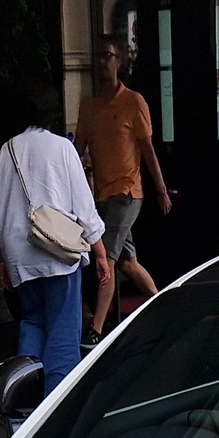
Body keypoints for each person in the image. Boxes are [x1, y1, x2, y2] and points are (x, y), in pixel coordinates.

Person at [0, 82, 108, 391]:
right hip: (58, 253)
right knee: (63, 331)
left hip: (19, 255)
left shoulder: (6, 151)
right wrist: (100, 253)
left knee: (32, 323)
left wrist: (4, 262)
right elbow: (85, 208)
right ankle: (55, 406)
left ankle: (24, 400)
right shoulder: (62, 148)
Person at [74, 35, 173, 345]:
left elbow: (147, 149)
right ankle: (164, 303)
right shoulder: (88, 106)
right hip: (100, 195)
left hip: (127, 193)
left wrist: (161, 189)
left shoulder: (133, 101)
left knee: (107, 260)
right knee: (127, 261)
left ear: (120, 61)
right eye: (98, 56)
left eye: (108, 56)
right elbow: (77, 152)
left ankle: (96, 330)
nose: (102, 62)